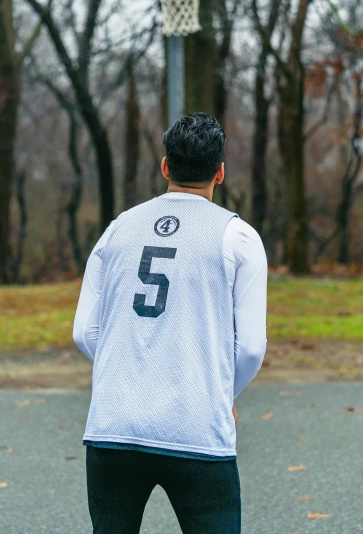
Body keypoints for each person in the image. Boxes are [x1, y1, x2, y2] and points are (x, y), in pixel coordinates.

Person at [73, 112, 267, 534]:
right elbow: (250, 348)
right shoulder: (238, 237)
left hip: (113, 425)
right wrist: (220, 392)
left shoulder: (118, 229)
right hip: (196, 428)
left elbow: (84, 331)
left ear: (165, 167)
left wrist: (127, 371)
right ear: (220, 172)